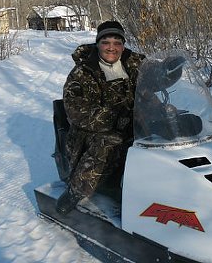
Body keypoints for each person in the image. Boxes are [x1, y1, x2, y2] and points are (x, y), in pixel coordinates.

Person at [56, 21, 145, 215]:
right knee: (110, 141)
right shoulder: (82, 73)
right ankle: (76, 191)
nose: (111, 47)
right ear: (98, 44)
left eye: (117, 42)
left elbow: (150, 89)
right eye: (106, 42)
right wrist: (114, 118)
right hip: (90, 134)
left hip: (130, 125)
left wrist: (167, 75)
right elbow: (76, 111)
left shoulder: (134, 66)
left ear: (123, 45)